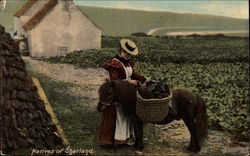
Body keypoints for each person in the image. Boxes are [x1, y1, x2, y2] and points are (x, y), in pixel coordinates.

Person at [97, 39, 146, 147]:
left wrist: (143, 78)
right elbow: (114, 81)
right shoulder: (115, 63)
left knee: (127, 114)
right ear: (122, 50)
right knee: (119, 114)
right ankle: (113, 140)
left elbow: (132, 74)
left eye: (130, 54)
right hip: (117, 91)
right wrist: (130, 81)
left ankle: (125, 138)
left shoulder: (127, 62)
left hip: (127, 91)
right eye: (127, 54)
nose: (129, 56)